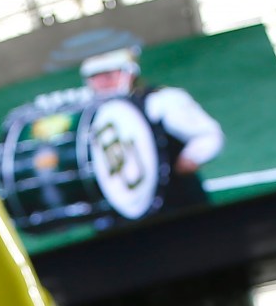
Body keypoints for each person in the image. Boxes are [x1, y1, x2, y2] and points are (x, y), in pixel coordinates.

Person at [79, 48, 225, 215]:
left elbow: (208, 135)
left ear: (130, 74)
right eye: (95, 78)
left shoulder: (161, 101)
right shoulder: (91, 118)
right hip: (125, 210)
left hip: (176, 199)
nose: (102, 83)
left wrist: (192, 156)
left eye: (109, 75)